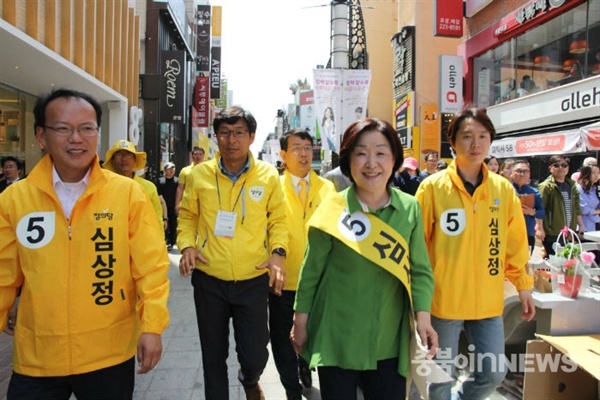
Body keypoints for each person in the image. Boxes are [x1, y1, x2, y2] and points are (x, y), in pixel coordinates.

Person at [0, 88, 170, 399]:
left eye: (87, 128)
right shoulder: (14, 199)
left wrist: (152, 326)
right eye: (63, 129)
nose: (76, 138)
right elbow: (3, 276)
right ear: (41, 136)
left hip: (108, 353)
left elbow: (151, 267)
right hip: (38, 357)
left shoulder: (128, 194)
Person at [291, 118, 437, 399]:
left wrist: (423, 319)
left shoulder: (410, 209)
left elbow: (419, 270)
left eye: (381, 153)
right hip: (336, 337)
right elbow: (311, 272)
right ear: (348, 160)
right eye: (361, 153)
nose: (371, 163)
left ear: (394, 159)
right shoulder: (332, 208)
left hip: (388, 340)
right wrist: (300, 322)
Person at [415, 108, 535, 400]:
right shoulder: (432, 188)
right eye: (466, 136)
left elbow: (516, 242)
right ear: (452, 143)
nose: (475, 143)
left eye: (482, 136)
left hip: (487, 299)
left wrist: (523, 285)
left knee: (493, 374)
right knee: (440, 379)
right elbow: (416, 247)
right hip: (444, 300)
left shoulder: (503, 190)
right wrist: (418, 300)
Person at [177, 106, 287, 400]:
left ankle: (250, 379)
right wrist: (187, 245)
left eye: (239, 133)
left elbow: (278, 219)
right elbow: (187, 216)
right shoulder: (200, 175)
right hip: (209, 278)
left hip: (252, 279)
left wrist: (278, 253)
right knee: (213, 357)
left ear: (251, 137)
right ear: (216, 137)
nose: (231, 139)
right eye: (224, 133)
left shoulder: (267, 176)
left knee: (254, 354)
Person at [272, 128, 335, 400]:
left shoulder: (328, 188)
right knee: (283, 343)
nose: (304, 153)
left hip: (319, 284)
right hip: (283, 283)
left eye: (308, 147)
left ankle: (305, 366)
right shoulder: (272, 187)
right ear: (283, 154)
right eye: (297, 147)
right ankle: (292, 391)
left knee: (313, 339)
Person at [103, 140, 166, 229]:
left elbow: (157, 219)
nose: (124, 159)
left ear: (135, 160)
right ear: (112, 160)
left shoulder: (149, 187)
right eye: (119, 154)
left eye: (128, 154)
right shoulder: (103, 187)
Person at [538, 156, 584, 257]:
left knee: (567, 260)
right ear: (550, 168)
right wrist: (540, 228)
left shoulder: (572, 185)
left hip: (568, 231)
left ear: (568, 168)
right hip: (552, 231)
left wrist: (581, 225)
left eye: (564, 165)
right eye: (556, 165)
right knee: (555, 261)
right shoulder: (545, 186)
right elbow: (540, 208)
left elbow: (576, 207)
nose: (560, 168)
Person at [511, 160, 545, 254]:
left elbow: (542, 212)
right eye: (518, 171)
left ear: (529, 174)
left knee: (526, 261)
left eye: (525, 171)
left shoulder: (534, 192)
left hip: (528, 233)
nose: (521, 174)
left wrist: (532, 212)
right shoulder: (506, 189)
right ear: (512, 173)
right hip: (509, 234)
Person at [175, 146, 205, 215]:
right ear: (192, 156)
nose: (198, 156)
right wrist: (177, 204)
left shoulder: (209, 170)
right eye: (196, 154)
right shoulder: (185, 170)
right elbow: (180, 188)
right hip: (188, 205)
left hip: (204, 205)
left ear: (203, 156)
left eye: (200, 154)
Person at [158, 162, 178, 249]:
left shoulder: (177, 181)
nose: (171, 170)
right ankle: (164, 239)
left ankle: (172, 242)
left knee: (173, 224)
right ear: (165, 170)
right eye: (169, 168)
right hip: (163, 206)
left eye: (173, 168)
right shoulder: (160, 181)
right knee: (164, 224)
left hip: (173, 206)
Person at [576, 165, 600, 232]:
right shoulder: (579, 189)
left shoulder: (596, 188)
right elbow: (583, 209)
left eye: (598, 173)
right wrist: (597, 211)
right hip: (583, 225)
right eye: (593, 173)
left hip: (595, 224)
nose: (596, 175)